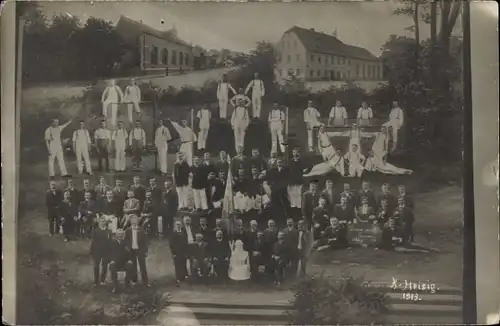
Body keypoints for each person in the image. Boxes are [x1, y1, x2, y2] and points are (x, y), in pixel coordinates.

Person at [125, 214, 149, 287]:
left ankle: (145, 282)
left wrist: (145, 251)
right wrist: (127, 249)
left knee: (143, 266)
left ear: (138, 221)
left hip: (140, 250)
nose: (134, 221)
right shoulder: (128, 230)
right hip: (131, 250)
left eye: (135, 219)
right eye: (132, 220)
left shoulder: (141, 230)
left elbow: (145, 241)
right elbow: (126, 240)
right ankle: (134, 280)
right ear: (130, 221)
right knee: (133, 266)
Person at [265, 157, 290, 225]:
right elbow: (269, 177)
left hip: (282, 191)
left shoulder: (286, 170)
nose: (279, 163)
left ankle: (285, 220)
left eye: (281, 162)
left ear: (283, 162)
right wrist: (271, 184)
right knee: (275, 205)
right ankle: (276, 219)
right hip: (275, 191)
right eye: (278, 162)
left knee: (284, 204)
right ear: (276, 163)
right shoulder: (273, 170)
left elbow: (287, 179)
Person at [108, 229, 134, 293]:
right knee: (112, 266)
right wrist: (111, 260)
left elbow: (130, 253)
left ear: (123, 235)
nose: (120, 236)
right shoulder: (112, 243)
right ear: (116, 235)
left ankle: (127, 285)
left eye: (121, 234)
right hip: (115, 263)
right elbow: (108, 254)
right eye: (118, 234)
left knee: (130, 265)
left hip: (124, 262)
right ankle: (115, 286)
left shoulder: (126, 243)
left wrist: (130, 260)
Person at [90, 216, 112, 286]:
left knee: (104, 266)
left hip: (106, 251)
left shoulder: (109, 231)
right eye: (101, 221)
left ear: (105, 223)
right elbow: (93, 242)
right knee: (96, 265)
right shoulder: (95, 231)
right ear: (99, 223)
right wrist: (92, 251)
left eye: (103, 221)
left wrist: (110, 251)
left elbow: (110, 242)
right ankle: (96, 281)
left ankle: (102, 280)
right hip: (97, 251)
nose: (102, 223)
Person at [170, 220, 189, 285]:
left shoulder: (183, 232)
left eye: (179, 224)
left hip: (183, 251)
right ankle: (178, 278)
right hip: (177, 252)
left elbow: (186, 242)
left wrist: (186, 251)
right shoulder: (173, 233)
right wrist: (173, 253)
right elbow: (171, 244)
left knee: (183, 263)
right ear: (175, 226)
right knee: (177, 265)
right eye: (177, 225)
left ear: (181, 225)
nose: (178, 226)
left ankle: (184, 276)